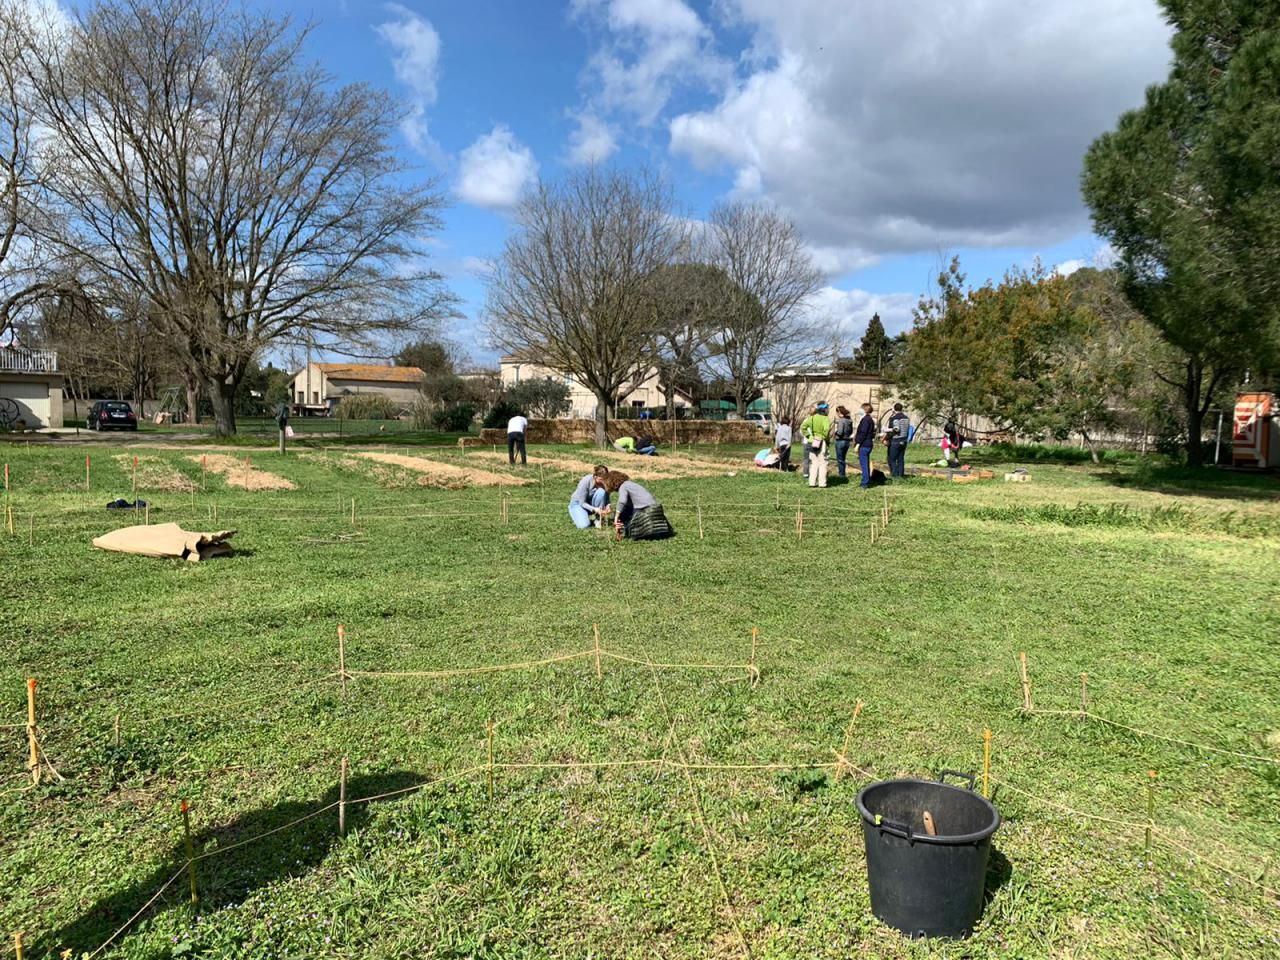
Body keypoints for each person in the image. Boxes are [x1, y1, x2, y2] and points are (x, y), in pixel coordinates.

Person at [605, 471, 674, 540]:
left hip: (644, 509)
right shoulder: (630, 484)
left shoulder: (623, 486)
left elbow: (622, 501)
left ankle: (627, 532)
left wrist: (616, 517)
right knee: (625, 510)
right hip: (655, 507)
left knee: (622, 514)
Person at [568, 465, 611, 529]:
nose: (603, 481)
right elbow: (582, 503)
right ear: (595, 477)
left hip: (591, 504)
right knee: (584, 526)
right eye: (601, 479)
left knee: (601, 492)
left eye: (605, 479)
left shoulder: (605, 482)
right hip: (578, 504)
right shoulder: (585, 481)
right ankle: (577, 514)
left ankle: (598, 519)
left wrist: (608, 505)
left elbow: (607, 497)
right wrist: (595, 509)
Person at [800, 402, 832, 488]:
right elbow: (826, 431)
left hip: (812, 441)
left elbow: (803, 427)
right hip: (822, 442)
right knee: (823, 463)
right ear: (824, 409)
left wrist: (809, 436)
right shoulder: (825, 419)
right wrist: (824, 438)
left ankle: (812, 482)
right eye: (827, 409)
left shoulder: (812, 418)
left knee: (814, 462)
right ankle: (822, 483)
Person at [854, 402, 876, 489]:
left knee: (864, 464)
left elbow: (863, 433)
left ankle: (865, 483)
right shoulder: (869, 419)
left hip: (864, 444)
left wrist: (858, 444)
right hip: (868, 444)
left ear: (864, 410)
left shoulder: (865, 420)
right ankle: (867, 480)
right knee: (865, 463)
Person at [886, 403, 910, 478]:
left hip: (896, 440)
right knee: (900, 458)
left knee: (892, 459)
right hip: (904, 440)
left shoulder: (895, 418)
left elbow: (896, 429)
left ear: (894, 409)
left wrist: (887, 431)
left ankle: (895, 475)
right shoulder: (906, 418)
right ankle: (901, 475)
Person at [831, 405, 854, 478]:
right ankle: (843, 473)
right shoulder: (849, 420)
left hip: (840, 441)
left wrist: (835, 433)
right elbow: (851, 431)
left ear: (839, 412)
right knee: (843, 458)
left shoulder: (841, 420)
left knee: (840, 459)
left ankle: (841, 474)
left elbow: (840, 432)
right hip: (847, 441)